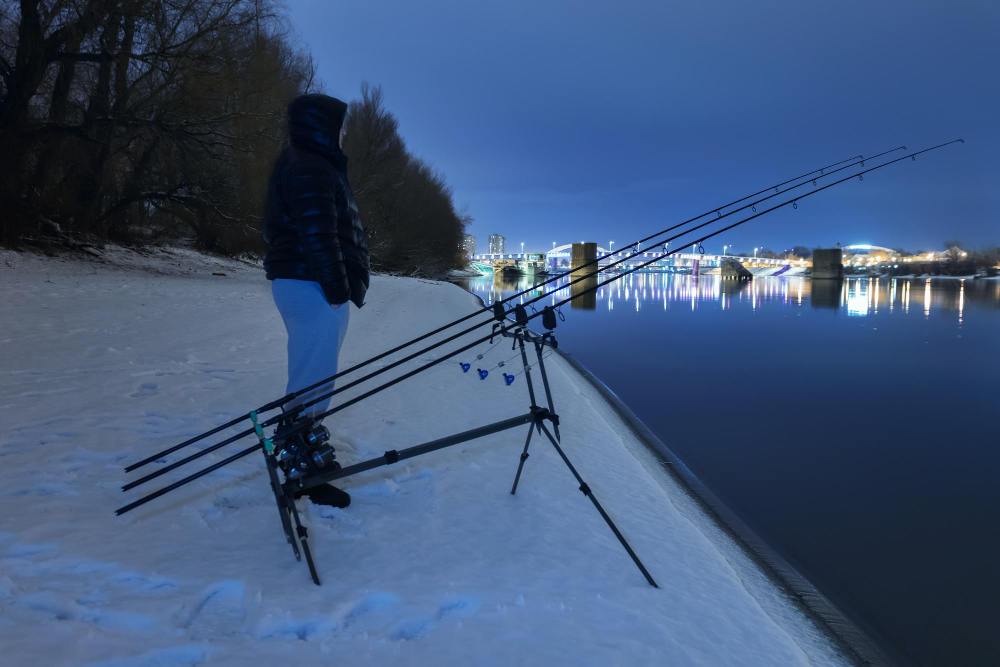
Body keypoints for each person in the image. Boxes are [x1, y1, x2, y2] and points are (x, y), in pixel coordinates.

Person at [263, 94, 370, 507]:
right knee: (313, 376)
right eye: (340, 127)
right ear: (321, 127)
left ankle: (302, 447)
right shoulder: (309, 168)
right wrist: (337, 289)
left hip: (310, 284)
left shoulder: (309, 164)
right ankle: (300, 463)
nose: (344, 135)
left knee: (315, 375)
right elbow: (318, 234)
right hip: (311, 286)